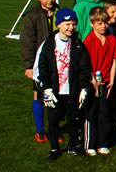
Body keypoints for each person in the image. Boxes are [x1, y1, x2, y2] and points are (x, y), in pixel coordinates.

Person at [35, 8, 91, 161]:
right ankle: (54, 148)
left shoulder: (78, 45)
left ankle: (73, 146)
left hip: (72, 90)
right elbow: (43, 66)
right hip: (54, 90)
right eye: (67, 24)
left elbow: (84, 68)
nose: (70, 27)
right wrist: (46, 87)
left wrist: (84, 88)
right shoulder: (48, 44)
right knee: (53, 121)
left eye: (73, 24)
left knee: (74, 119)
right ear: (58, 25)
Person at [20, 0, 58, 143]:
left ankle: (55, 129)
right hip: (39, 64)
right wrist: (29, 66)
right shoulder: (32, 16)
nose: (50, 0)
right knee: (39, 95)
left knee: (56, 95)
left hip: (57, 61)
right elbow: (27, 43)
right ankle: (40, 130)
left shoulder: (59, 11)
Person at [82, 7, 116, 156]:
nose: (103, 26)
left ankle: (102, 143)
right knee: (91, 113)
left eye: (105, 23)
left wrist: (112, 81)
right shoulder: (89, 40)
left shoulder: (112, 39)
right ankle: (89, 144)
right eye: (99, 23)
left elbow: (114, 61)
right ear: (92, 24)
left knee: (104, 114)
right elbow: (86, 63)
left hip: (106, 83)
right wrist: (92, 81)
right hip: (92, 83)